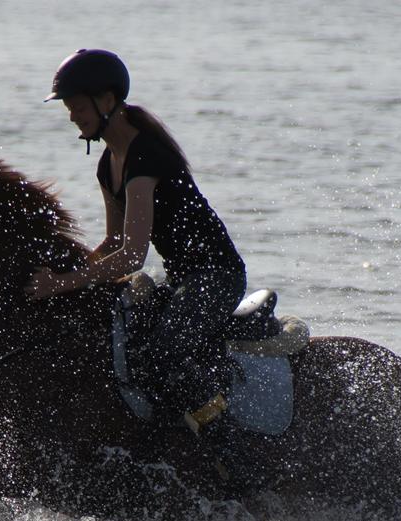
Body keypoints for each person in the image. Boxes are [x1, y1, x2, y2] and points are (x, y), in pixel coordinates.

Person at [26, 49, 247, 432]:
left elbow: (132, 258)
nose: (72, 117)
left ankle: (229, 444)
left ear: (108, 101)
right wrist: (69, 275)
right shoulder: (107, 163)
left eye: (78, 107)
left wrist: (61, 284)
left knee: (164, 353)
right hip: (181, 279)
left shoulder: (145, 156)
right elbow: (113, 241)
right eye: (69, 109)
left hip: (217, 277)